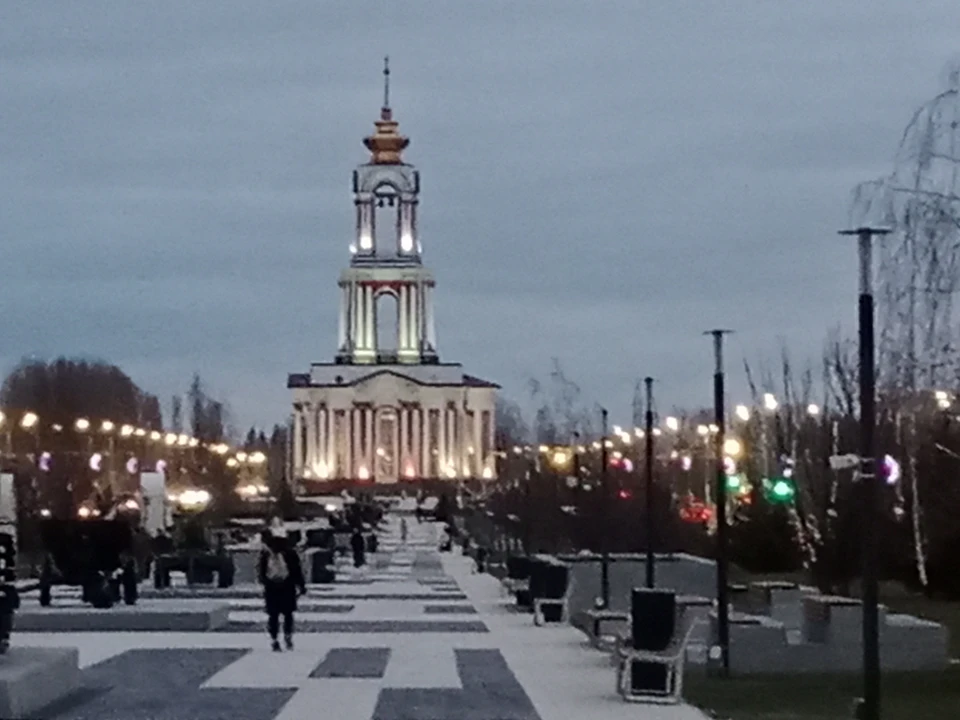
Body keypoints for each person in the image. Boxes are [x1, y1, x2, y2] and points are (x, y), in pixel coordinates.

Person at [258, 528, 306, 652]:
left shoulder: (266, 554)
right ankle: (288, 636)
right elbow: (297, 570)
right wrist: (301, 586)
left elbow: (261, 572)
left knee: (273, 616)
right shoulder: (290, 553)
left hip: (272, 588)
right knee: (288, 614)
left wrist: (265, 582)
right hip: (287, 587)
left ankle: (274, 639)